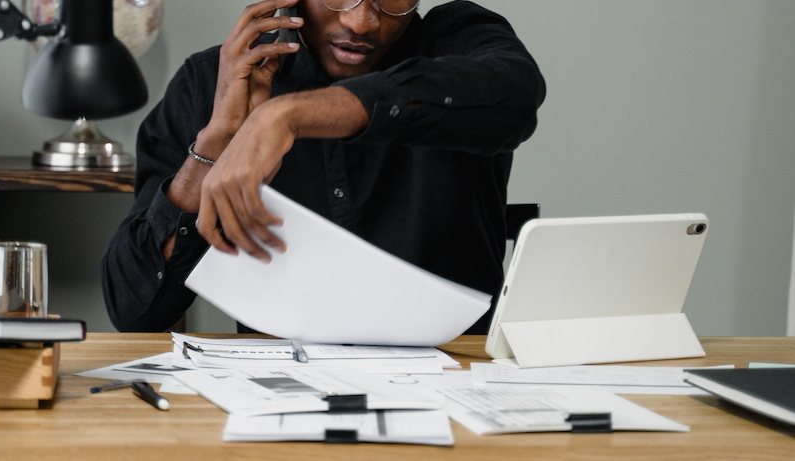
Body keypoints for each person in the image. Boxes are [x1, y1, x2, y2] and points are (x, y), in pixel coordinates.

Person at [102, 0, 546, 334]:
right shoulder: (211, 83)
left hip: (458, 381)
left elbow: (516, 94)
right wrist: (217, 142)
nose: (361, 21)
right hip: (272, 390)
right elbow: (135, 310)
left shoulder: (459, 41)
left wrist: (285, 115)